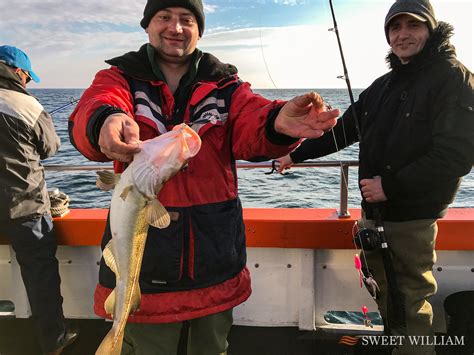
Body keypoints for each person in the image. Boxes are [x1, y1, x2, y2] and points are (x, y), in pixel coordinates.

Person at [68, 0, 339, 353]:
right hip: (148, 266)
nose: (175, 27)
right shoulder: (118, 78)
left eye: (186, 19)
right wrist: (103, 121)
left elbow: (251, 125)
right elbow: (95, 105)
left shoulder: (226, 85)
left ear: (198, 29)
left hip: (214, 255)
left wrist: (278, 124)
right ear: (147, 26)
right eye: (164, 17)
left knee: (212, 347)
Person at [277, 0, 473, 354]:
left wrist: (390, 186)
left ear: (431, 29)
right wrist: (296, 153)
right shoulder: (383, 86)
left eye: (412, 26)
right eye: (395, 28)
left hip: (412, 219)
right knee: (385, 294)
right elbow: (345, 130)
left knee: (410, 301)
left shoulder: (453, 78)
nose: (402, 35)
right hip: (375, 216)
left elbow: (456, 154)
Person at [0, 45, 79, 354]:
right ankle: (54, 339)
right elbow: (50, 148)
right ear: (19, 73)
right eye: (28, 77)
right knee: (40, 274)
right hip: (25, 205)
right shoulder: (27, 105)